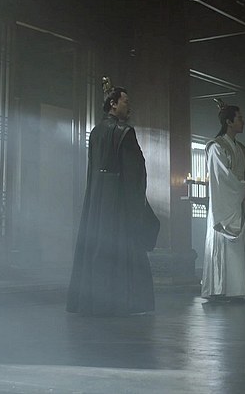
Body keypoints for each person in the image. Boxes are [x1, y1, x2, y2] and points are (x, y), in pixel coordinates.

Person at [67, 77, 159, 316]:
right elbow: (135, 172)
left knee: (98, 245)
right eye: (126, 102)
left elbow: (92, 168)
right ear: (113, 104)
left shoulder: (95, 132)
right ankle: (122, 301)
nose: (129, 107)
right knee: (122, 246)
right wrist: (137, 204)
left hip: (97, 197)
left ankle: (92, 301)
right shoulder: (125, 132)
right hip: (118, 199)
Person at [200, 99, 245, 301]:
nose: (243, 122)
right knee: (224, 245)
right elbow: (221, 178)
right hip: (225, 205)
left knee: (242, 249)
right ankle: (222, 289)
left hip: (241, 201)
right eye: (239, 118)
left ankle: (241, 289)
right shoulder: (216, 147)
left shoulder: (242, 149)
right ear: (228, 122)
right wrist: (242, 189)